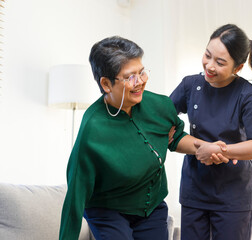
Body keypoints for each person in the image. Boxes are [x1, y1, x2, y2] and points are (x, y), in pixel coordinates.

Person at [59, 36, 228, 240]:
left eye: (142, 72)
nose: (140, 82)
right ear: (106, 83)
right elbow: (76, 193)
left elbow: (174, 138)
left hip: (152, 207)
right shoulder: (93, 128)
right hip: (108, 211)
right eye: (130, 77)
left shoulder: (160, 106)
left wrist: (205, 147)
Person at [170, 24, 252, 240]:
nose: (209, 65)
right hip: (194, 189)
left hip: (233, 194)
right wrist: (200, 148)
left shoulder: (247, 95)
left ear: (238, 67)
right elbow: (163, 121)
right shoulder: (190, 85)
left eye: (220, 62)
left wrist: (219, 151)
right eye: (207, 55)